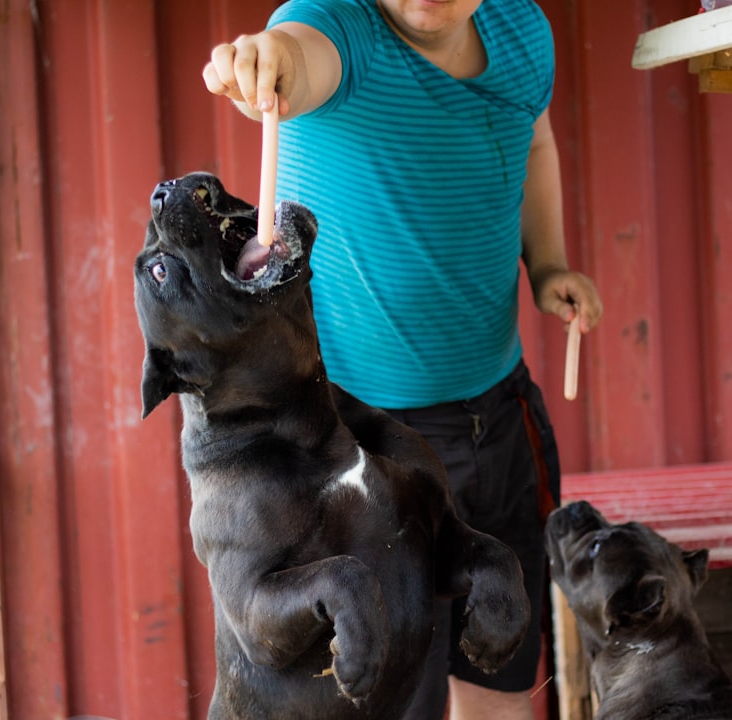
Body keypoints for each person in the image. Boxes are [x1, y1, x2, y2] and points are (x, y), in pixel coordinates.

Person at [203, 1, 603, 718]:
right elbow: (298, 58)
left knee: (502, 678)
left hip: (498, 420)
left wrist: (549, 264)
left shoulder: (522, 32)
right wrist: (264, 61)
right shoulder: (337, 23)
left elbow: (534, 142)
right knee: (395, 702)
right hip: (368, 451)